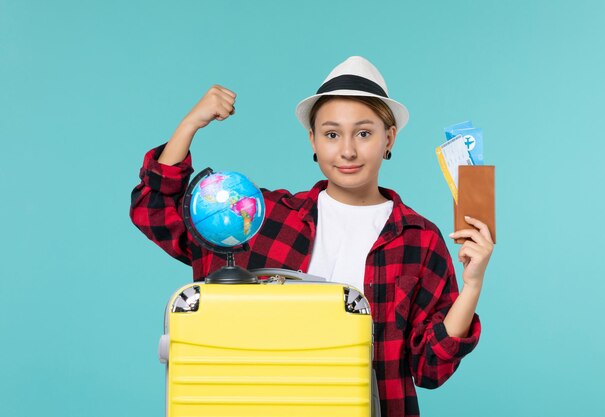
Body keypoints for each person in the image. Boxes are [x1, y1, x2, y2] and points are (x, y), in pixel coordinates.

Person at [130, 56, 494, 417]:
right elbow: (154, 212)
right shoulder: (262, 217)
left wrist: (473, 285)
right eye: (332, 134)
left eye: (364, 133)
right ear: (313, 141)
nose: (347, 150)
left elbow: (430, 368)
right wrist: (190, 123)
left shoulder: (419, 239)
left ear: (389, 138)